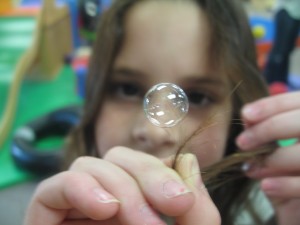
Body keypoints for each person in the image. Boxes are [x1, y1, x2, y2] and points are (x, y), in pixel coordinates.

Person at [24, 0, 300, 224]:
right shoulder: (67, 207)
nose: (155, 132)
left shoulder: (272, 205)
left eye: (197, 97)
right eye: (128, 89)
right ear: (95, 100)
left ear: (235, 120)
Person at [263, 0, 300, 86]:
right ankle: (269, 82)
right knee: (279, 52)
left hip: (296, 15)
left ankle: (281, 83)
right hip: (287, 12)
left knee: (286, 51)